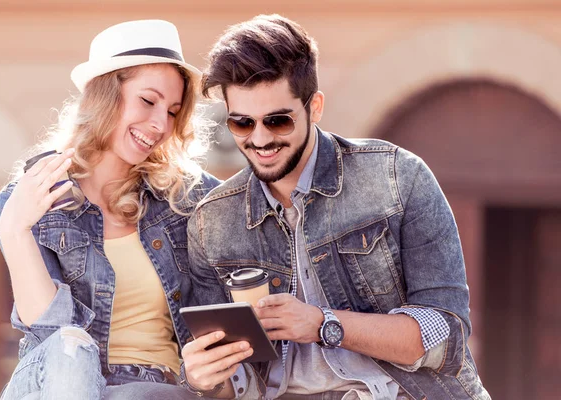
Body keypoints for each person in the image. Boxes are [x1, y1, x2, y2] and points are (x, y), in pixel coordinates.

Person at [184, 14, 492, 400]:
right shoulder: (212, 221)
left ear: (315, 107)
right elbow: (233, 383)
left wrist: (323, 324)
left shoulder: (398, 178)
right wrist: (204, 377)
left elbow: (444, 334)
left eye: (278, 121)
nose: (260, 139)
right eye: (242, 124)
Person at [0, 19, 252, 399]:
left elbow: (222, 331)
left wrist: (201, 376)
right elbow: (50, 334)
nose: (160, 124)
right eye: (148, 101)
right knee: (73, 350)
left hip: (154, 389)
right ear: (105, 95)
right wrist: (15, 230)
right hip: (57, 380)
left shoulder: (190, 200)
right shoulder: (30, 198)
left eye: (172, 111)